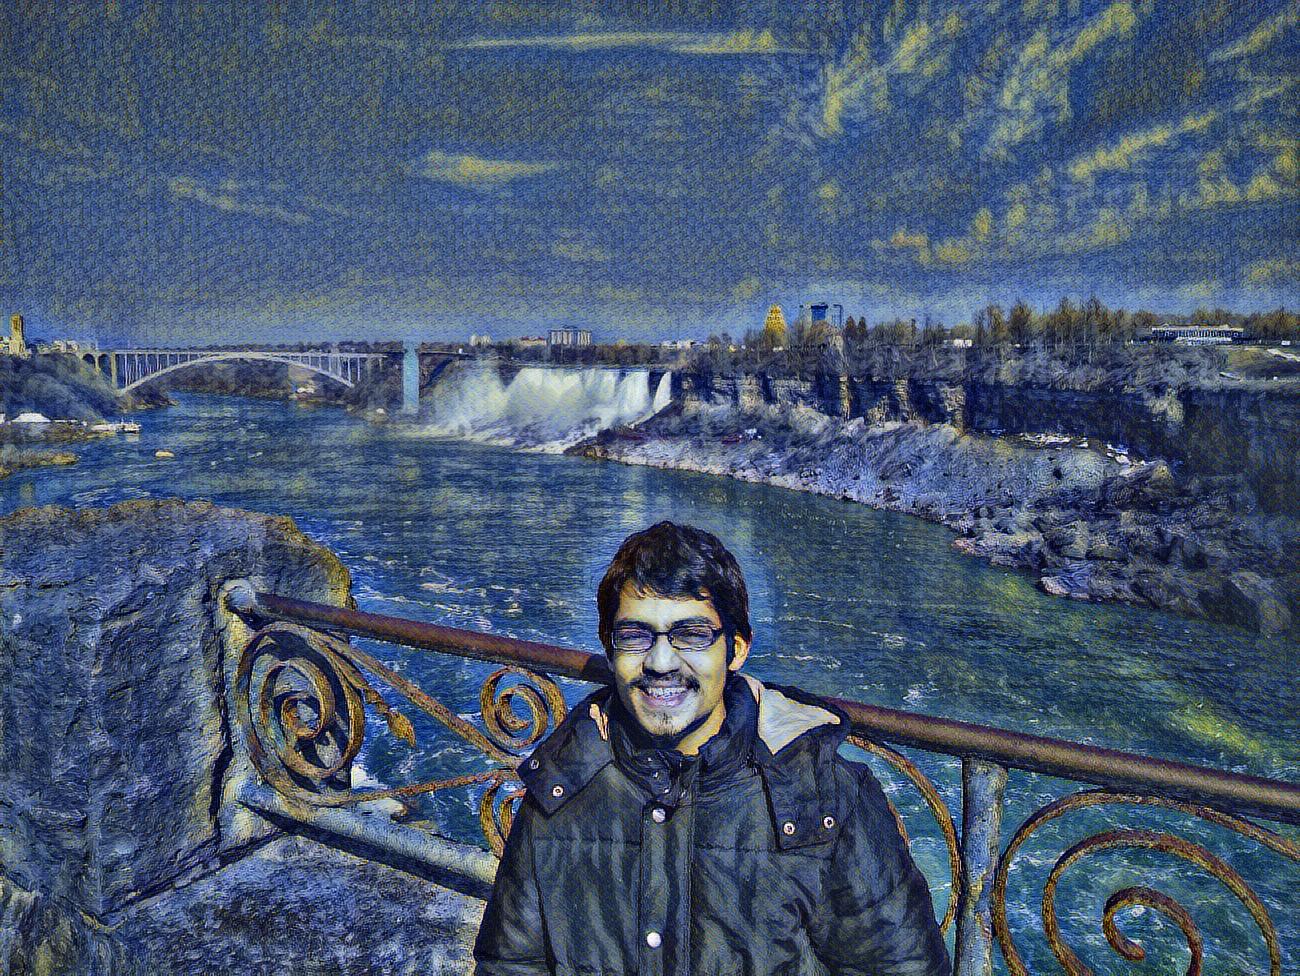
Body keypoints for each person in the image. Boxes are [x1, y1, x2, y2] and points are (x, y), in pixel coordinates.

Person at [474, 521, 950, 975]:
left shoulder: (825, 795)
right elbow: (510, 965)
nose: (661, 662)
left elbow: (902, 966)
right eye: (636, 636)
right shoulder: (559, 788)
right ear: (609, 648)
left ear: (736, 649)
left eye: (692, 635)